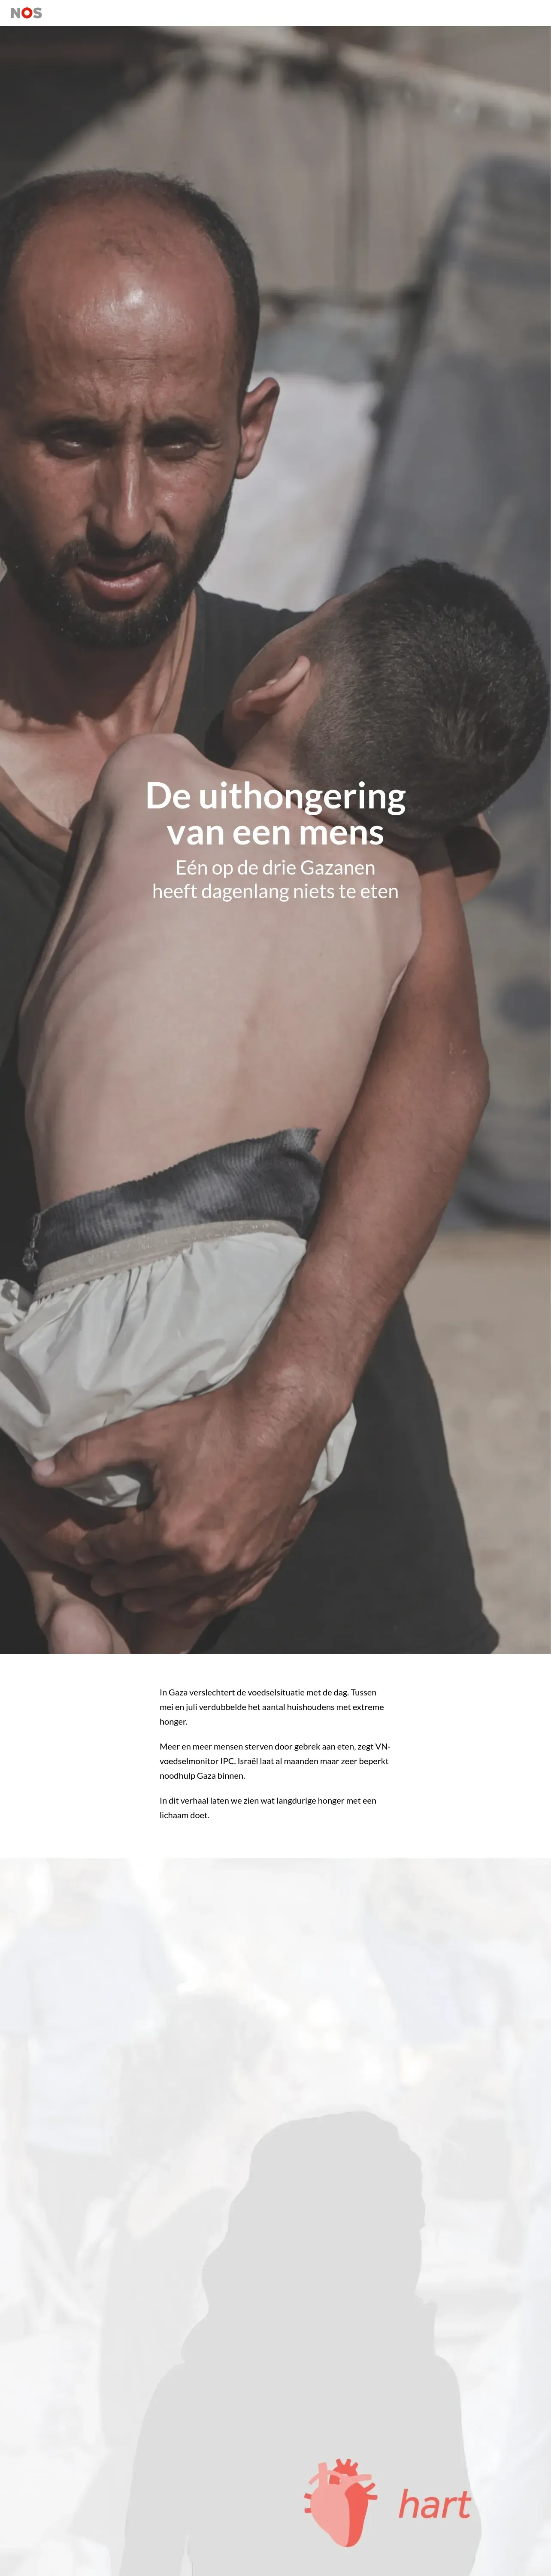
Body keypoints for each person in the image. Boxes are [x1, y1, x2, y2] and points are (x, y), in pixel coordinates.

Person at [0, 171, 545, 1652]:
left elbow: (436, 1059)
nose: (127, 513)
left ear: (249, 430)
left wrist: (289, 1400)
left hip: (346, 1592)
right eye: (70, 439)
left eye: (177, 442)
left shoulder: (335, 713)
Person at [119, 2111, 481, 2573]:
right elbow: (448, 2546)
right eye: (402, 2228)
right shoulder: (422, 2390)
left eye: (415, 2228)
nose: (415, 2251)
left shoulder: (188, 2396)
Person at [0, 1862, 176, 2267]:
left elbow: (178, 2018)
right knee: (53, 2276)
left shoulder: (135, 1927)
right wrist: (15, 2155)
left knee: (143, 2272)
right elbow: (14, 2057)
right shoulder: (26, 1952)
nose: (95, 1862)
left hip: (136, 2139)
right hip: (57, 2144)